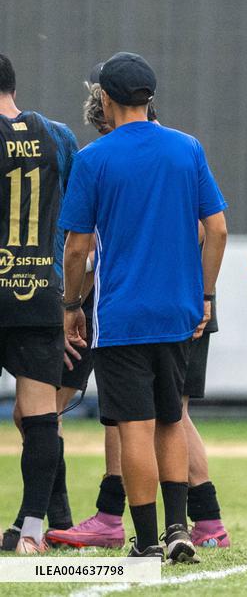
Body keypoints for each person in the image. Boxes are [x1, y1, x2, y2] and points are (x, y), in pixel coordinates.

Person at [46, 72, 231, 550]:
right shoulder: (187, 148)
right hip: (178, 313)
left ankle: (146, 540)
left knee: (134, 427)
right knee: (172, 420)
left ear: (105, 99)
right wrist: (205, 295)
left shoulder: (93, 158)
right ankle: (178, 530)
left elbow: (75, 248)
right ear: (151, 97)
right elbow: (218, 229)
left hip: (122, 315)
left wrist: (70, 305)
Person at [0, 52, 79, 554]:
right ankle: (33, 531)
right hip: (38, 290)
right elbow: (75, 219)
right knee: (38, 415)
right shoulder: (58, 136)